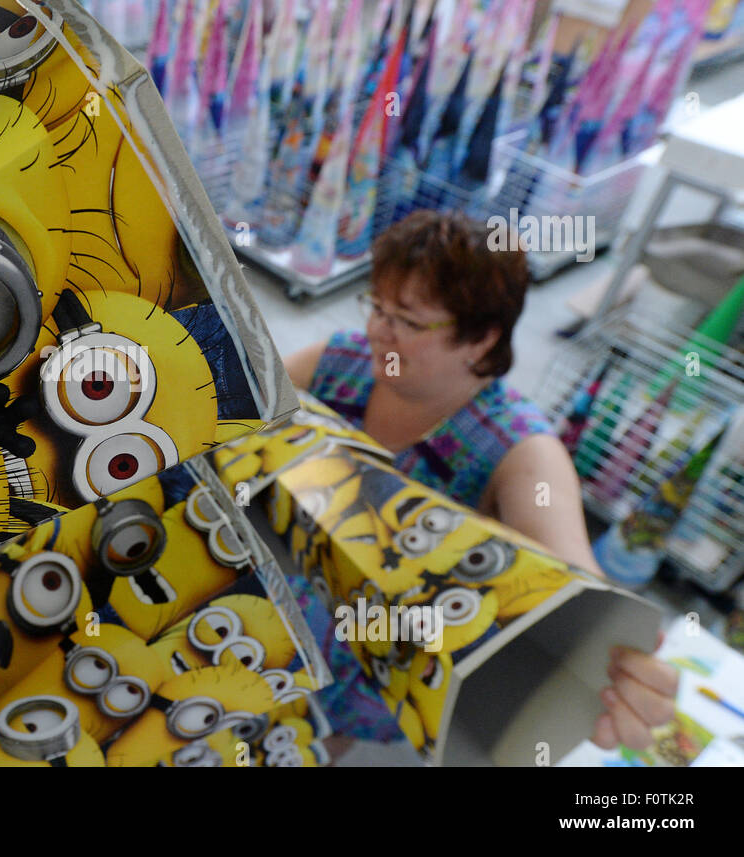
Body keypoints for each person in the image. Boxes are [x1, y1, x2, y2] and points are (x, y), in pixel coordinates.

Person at [283, 210, 678, 754]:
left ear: (481, 338)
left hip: (365, 658)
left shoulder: (518, 448)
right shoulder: (338, 362)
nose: (378, 329)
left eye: (408, 320)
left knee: (306, 742)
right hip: (277, 596)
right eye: (376, 306)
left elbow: (577, 587)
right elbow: (237, 412)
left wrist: (617, 668)